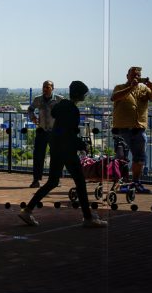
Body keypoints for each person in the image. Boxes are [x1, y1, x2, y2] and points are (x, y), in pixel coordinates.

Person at [19, 81, 107, 228]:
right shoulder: (72, 110)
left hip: (56, 146)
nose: (85, 96)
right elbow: (68, 132)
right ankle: (88, 217)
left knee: (52, 181)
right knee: (80, 182)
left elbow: (57, 121)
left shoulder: (61, 105)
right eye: (84, 94)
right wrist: (81, 144)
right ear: (80, 95)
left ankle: (27, 210)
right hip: (67, 149)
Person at [111, 66, 152, 195]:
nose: (135, 77)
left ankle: (136, 182)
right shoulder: (120, 87)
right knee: (122, 157)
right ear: (127, 76)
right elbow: (114, 98)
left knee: (139, 158)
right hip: (122, 129)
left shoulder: (145, 89)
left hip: (138, 129)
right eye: (133, 75)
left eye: (138, 75)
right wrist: (131, 87)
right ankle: (123, 183)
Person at [26, 80, 61, 188]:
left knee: (56, 156)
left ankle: (55, 179)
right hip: (41, 130)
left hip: (54, 131)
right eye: (44, 87)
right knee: (38, 156)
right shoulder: (38, 99)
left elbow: (66, 111)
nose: (45, 89)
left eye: (47, 87)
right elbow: (30, 109)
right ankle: (36, 180)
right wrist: (33, 117)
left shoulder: (59, 99)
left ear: (52, 88)